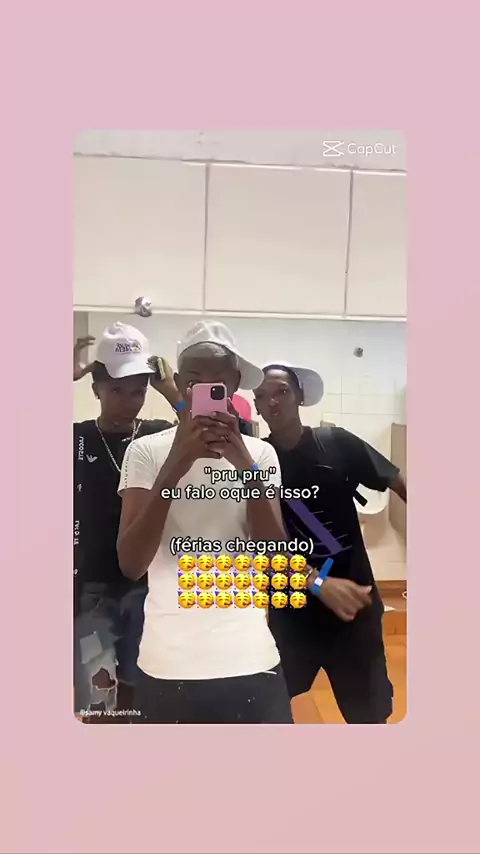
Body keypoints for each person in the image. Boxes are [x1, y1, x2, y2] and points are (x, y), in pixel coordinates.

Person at [116, 321, 293, 724]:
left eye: (219, 382)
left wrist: (245, 466)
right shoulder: (145, 452)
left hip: (250, 656)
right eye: (195, 380)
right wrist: (177, 463)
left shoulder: (261, 455)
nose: (207, 389)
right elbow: (131, 563)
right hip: (166, 662)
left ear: (234, 385)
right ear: (180, 384)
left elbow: (274, 559)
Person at [253, 362, 407, 724]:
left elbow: (398, 481)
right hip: (292, 610)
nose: (272, 402)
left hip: (354, 607)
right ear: (256, 405)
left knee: (368, 716)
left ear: (299, 397)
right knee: (268, 710)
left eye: (282, 392)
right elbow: (258, 541)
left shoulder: (337, 443)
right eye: (262, 396)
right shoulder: (256, 459)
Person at [74, 322, 184, 722]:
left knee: (143, 696)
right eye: (117, 391)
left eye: (138, 391)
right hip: (92, 588)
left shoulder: (158, 436)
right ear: (96, 390)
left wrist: (173, 394)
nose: (129, 402)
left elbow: (219, 435)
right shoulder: (76, 438)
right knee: (98, 700)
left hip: (148, 586)